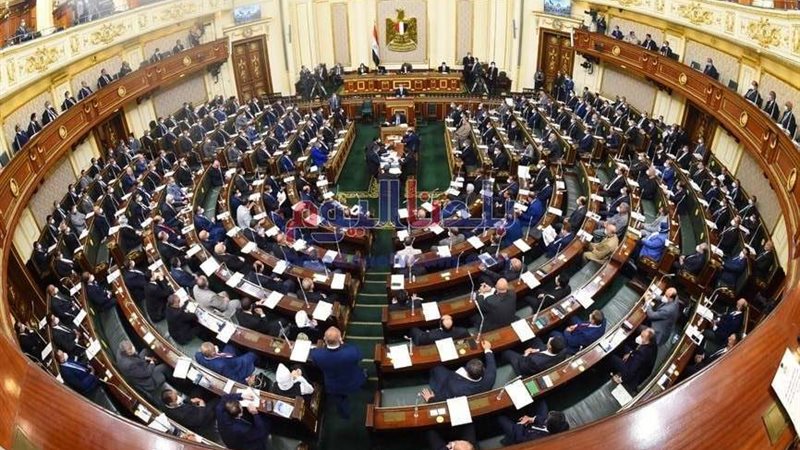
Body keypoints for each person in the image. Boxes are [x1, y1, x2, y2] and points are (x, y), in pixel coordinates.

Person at [310, 327, 366, 418]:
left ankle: (344, 414)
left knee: (339, 401)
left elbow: (316, 364)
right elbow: (360, 357)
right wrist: (344, 345)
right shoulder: (352, 351)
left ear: (324, 339)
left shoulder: (316, 354)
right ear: (340, 339)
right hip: (353, 381)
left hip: (334, 386)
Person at [420, 340, 496, 402]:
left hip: (447, 382)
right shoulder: (490, 377)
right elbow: (491, 363)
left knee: (436, 367)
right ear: (483, 370)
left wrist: (431, 399)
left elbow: (446, 398)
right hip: (456, 380)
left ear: (467, 371)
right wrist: (487, 349)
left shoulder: (456, 387)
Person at [497, 403, 570, 445]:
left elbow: (520, 438)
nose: (545, 418)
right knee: (541, 402)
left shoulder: (537, 439)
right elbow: (543, 419)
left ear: (547, 424)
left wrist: (521, 424)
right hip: (534, 425)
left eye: (546, 419)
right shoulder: (558, 424)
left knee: (500, 417)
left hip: (520, 432)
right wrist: (532, 419)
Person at [502, 336, 566, 377]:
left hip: (524, 365)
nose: (550, 338)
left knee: (507, 352)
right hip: (539, 357)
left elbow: (522, 366)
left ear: (550, 346)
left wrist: (525, 354)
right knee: (533, 338)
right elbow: (546, 348)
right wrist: (537, 350)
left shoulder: (535, 361)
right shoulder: (562, 350)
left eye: (551, 340)